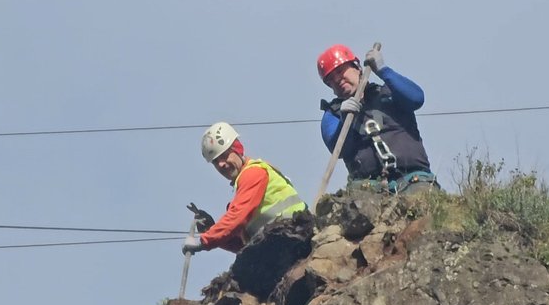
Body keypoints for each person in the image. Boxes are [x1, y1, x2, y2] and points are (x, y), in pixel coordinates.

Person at [317, 44, 437, 195]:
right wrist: (345, 118)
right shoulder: (333, 114)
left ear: (357, 67)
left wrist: (382, 69)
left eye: (340, 71)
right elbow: (338, 149)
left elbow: (416, 99)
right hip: (367, 191)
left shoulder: (389, 94)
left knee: (422, 207)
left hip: (413, 179)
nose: (338, 79)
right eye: (331, 80)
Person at [182, 122, 307, 255]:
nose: (221, 164)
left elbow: (236, 218)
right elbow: (243, 246)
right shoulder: (245, 184)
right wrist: (210, 229)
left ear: (237, 149)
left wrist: (204, 241)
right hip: (281, 243)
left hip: (296, 234)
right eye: (215, 162)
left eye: (224, 155)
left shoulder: (253, 173)